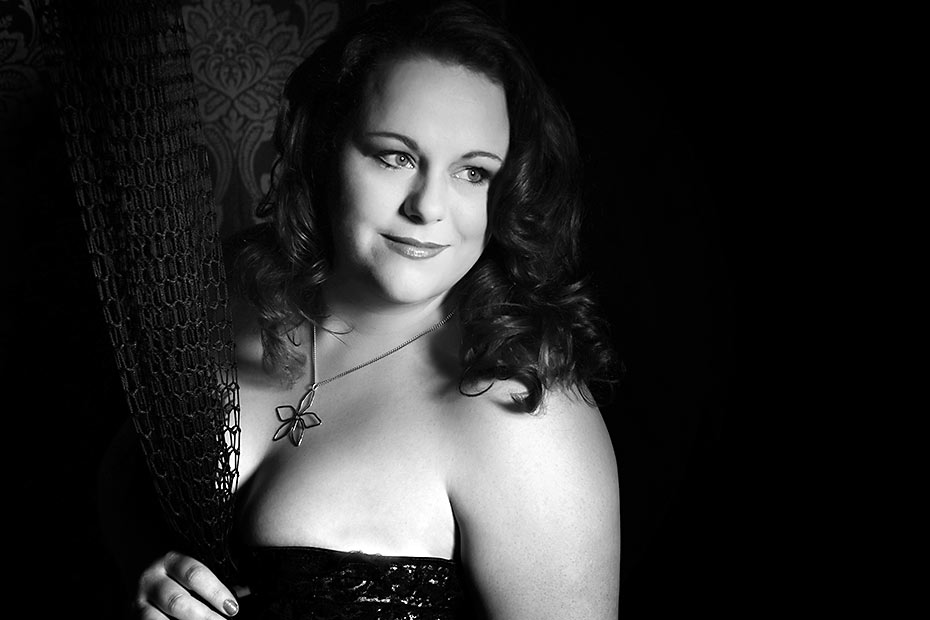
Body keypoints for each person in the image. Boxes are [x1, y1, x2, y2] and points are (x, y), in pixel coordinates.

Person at [112, 0, 621, 617]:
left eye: (473, 173)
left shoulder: (526, 414)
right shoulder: (218, 315)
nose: (428, 206)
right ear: (324, 148)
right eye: (394, 156)